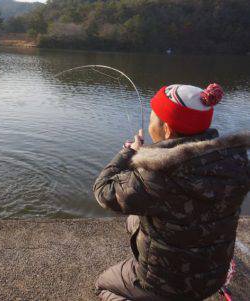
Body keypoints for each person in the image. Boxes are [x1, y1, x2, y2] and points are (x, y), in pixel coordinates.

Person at [93, 83, 249, 300]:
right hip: (214, 279)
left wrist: (128, 153)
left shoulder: (156, 174)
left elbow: (103, 191)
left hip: (165, 286)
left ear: (166, 129)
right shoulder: (237, 161)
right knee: (135, 217)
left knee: (104, 285)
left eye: (152, 119)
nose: (149, 125)